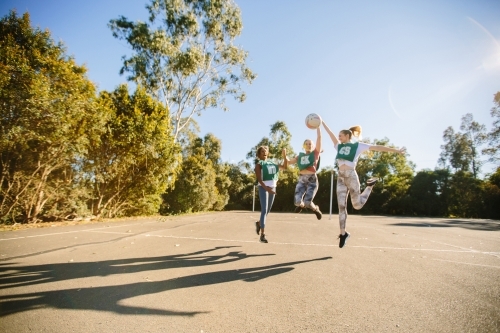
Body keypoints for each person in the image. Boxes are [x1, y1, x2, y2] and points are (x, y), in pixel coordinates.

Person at [322, 121, 406, 248]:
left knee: (357, 206)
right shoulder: (338, 146)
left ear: (347, 136)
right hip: (341, 177)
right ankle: (343, 234)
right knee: (341, 206)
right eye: (338, 136)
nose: (338, 137)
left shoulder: (358, 146)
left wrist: (396, 151)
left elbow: (377, 147)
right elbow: (330, 133)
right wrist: (322, 122)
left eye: (341, 135)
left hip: (351, 176)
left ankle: (369, 186)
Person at [286, 127, 323, 220]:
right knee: (297, 202)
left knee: (308, 202)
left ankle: (315, 209)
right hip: (302, 179)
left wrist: (318, 127)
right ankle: (301, 206)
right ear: (304, 146)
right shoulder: (300, 156)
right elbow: (289, 162)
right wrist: (284, 155)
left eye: (310, 144)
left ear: (313, 145)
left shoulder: (315, 153)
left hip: (312, 179)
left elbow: (319, 138)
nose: (308, 145)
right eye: (306, 144)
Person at [254, 146, 287, 243]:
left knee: (267, 211)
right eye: (262, 151)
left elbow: (284, 167)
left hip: (272, 187)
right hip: (263, 187)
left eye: (266, 151)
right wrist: (267, 189)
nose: (264, 152)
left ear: (268, 153)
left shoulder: (273, 163)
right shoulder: (259, 164)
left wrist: (284, 156)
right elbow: (259, 179)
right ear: (259, 154)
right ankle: (262, 235)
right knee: (264, 210)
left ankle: (259, 223)